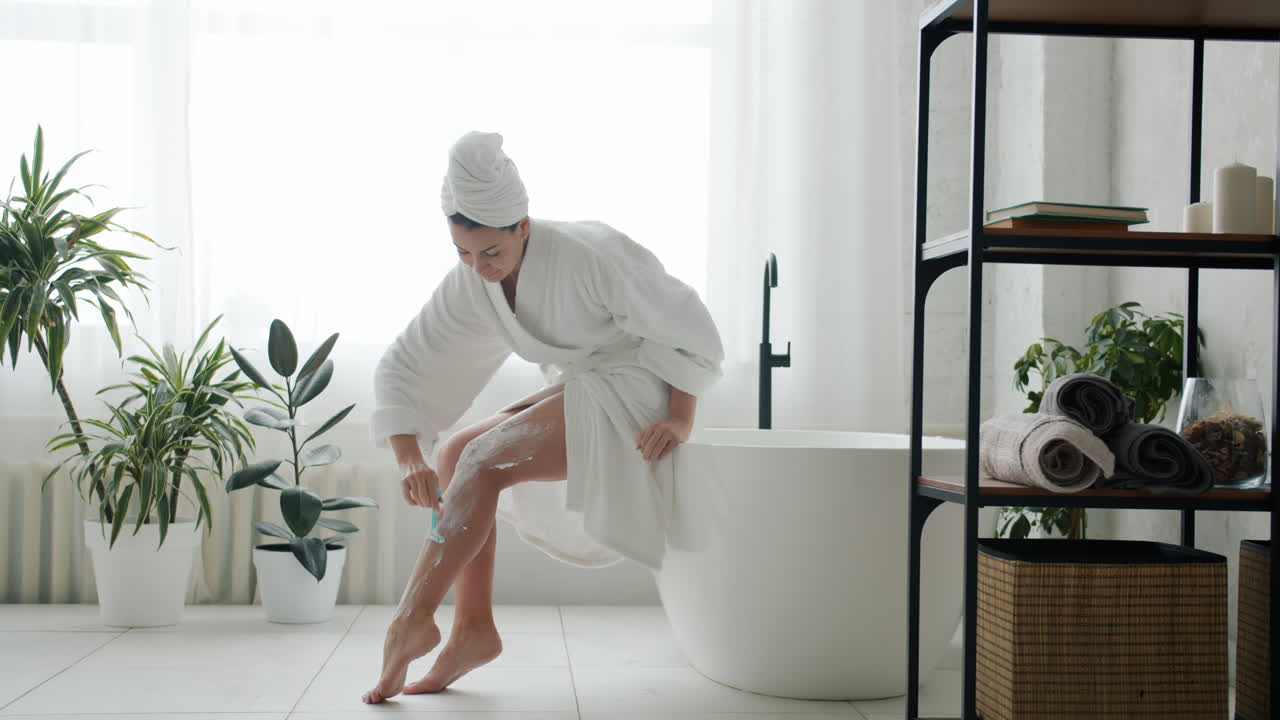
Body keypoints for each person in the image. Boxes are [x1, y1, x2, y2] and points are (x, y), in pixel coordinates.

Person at [363, 131, 724, 703]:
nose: (478, 267)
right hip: (585, 384)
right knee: (456, 452)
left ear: (522, 226)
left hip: (641, 385)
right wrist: (409, 455)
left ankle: (410, 619)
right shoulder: (472, 282)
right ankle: (471, 630)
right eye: (463, 252)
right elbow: (405, 362)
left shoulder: (590, 252)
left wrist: (681, 417)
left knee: (482, 460)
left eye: (491, 252)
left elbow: (687, 326)